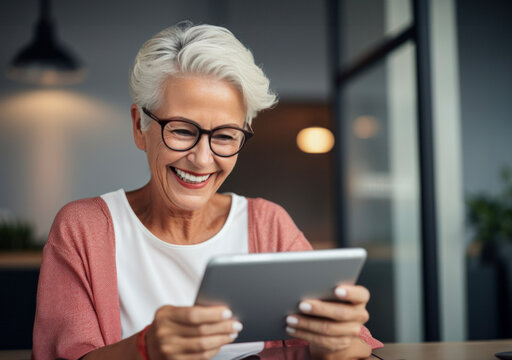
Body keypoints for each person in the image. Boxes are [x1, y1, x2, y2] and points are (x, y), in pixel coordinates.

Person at [32, 21, 382, 360]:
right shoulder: (84, 228)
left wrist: (332, 345)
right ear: (140, 127)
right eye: (183, 130)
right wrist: (145, 349)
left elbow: (354, 347)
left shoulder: (268, 223)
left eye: (225, 136)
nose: (202, 159)